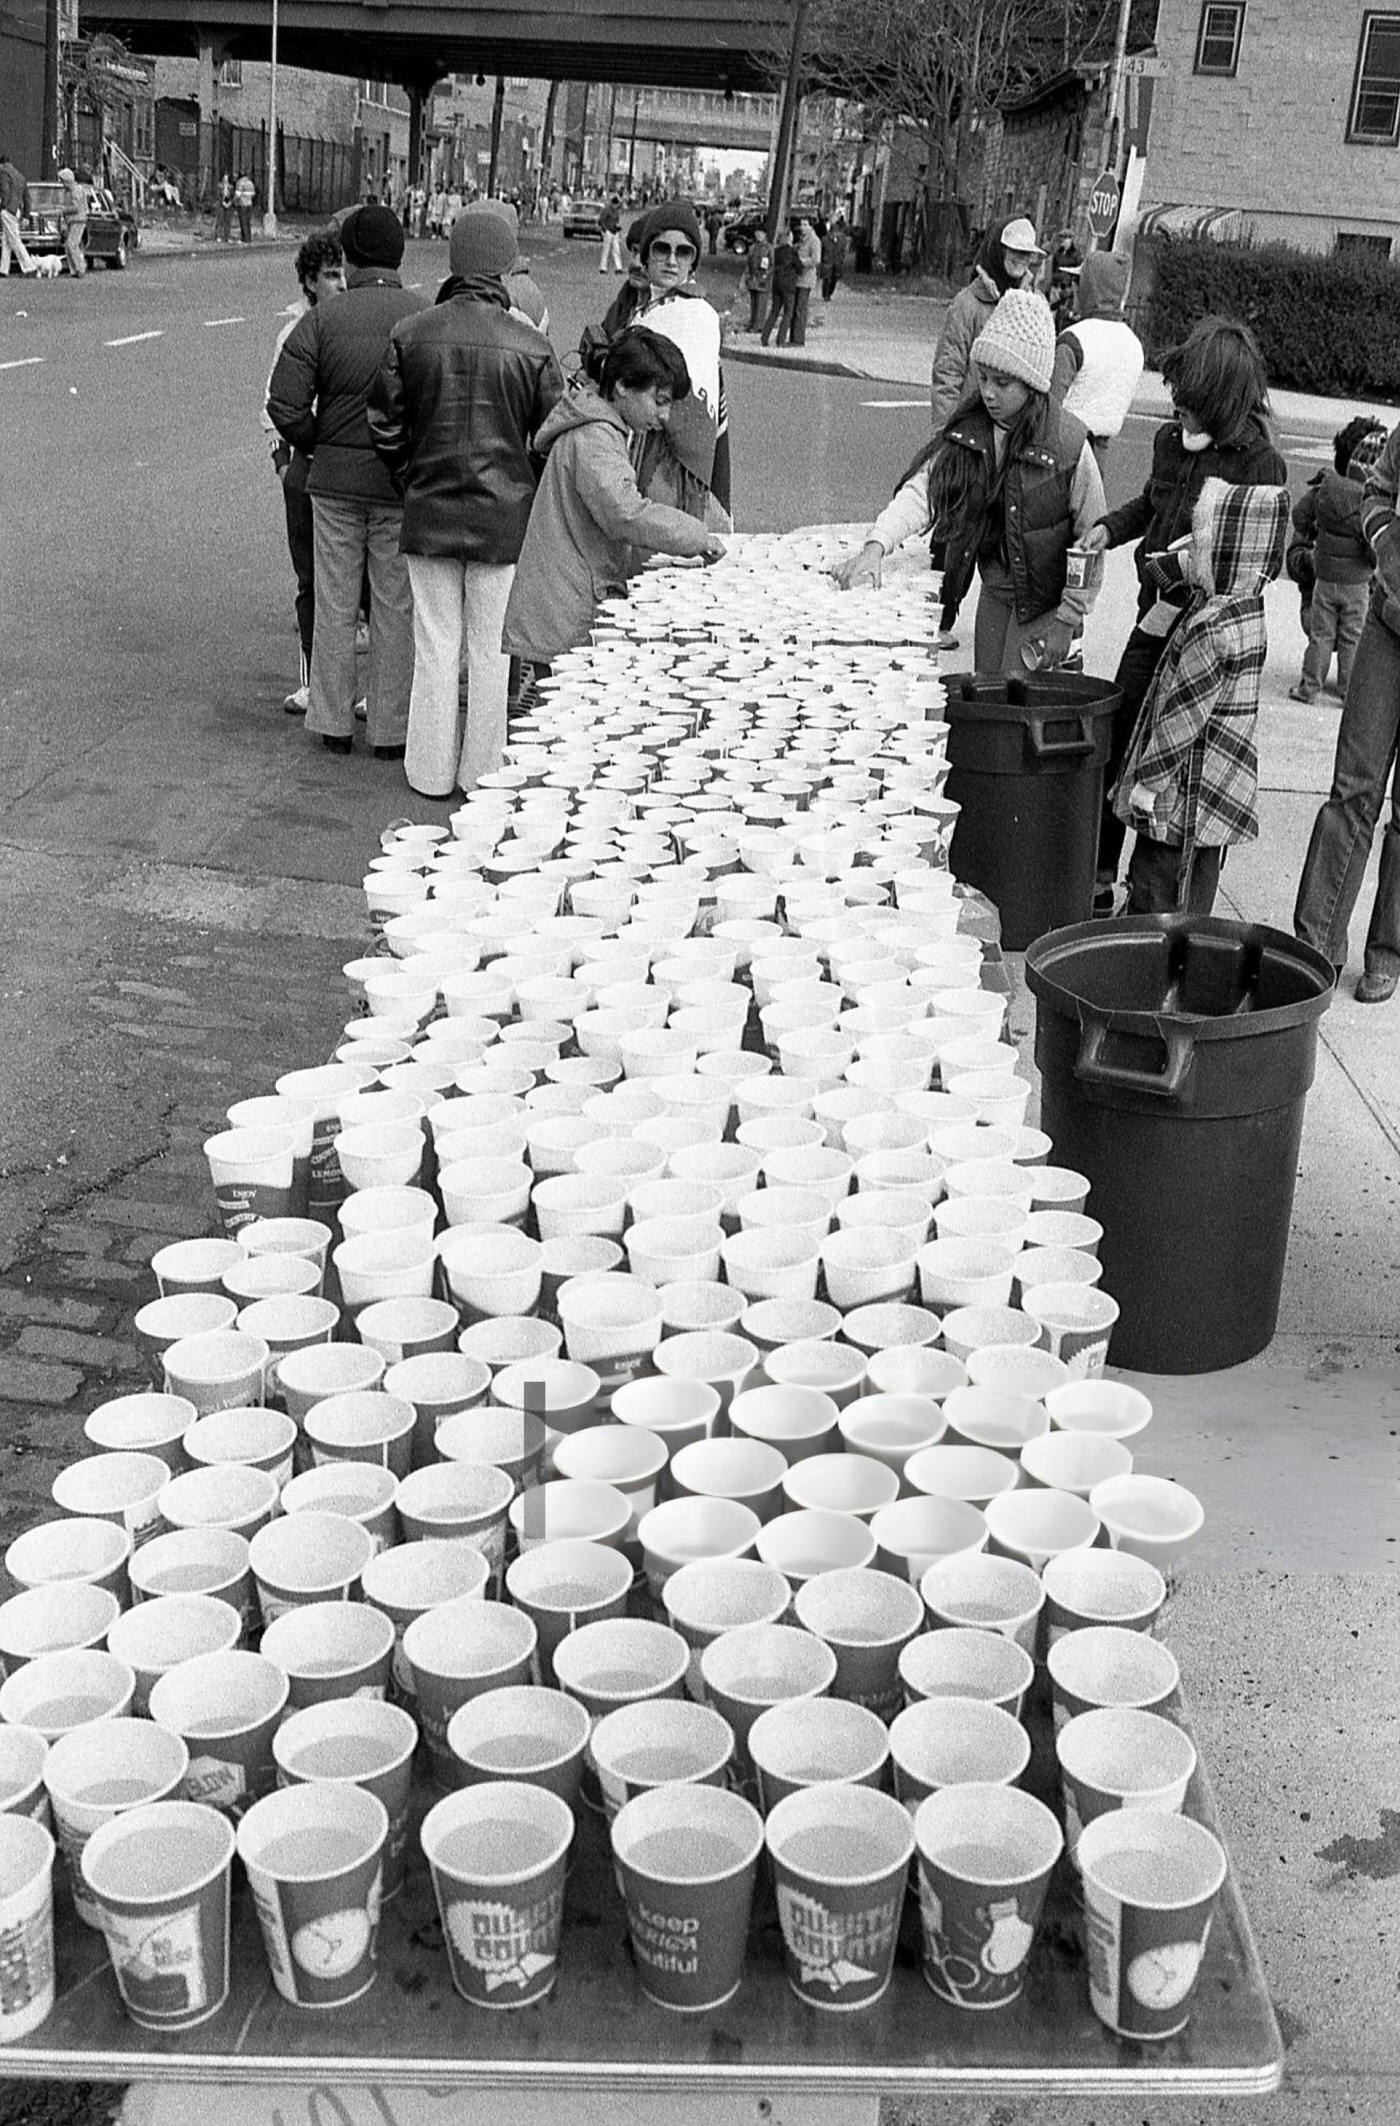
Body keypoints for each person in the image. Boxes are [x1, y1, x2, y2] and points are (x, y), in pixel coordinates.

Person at [1078, 314, 1287, 912]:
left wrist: (1191, 571)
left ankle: (1154, 897)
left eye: (1189, 406)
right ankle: (1098, 876)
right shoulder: (1173, 442)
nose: (1178, 416)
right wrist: (1109, 530)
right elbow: (1151, 502)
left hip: (1199, 633)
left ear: (1220, 405)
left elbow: (1257, 566)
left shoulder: (1259, 463)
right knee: (1119, 740)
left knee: (1166, 755)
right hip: (1154, 619)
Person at [369, 205, 563, 798]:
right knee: (490, 652)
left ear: (454, 263)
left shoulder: (411, 333)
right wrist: (520, 483)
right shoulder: (530, 345)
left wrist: (414, 478)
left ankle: (427, 771)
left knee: (434, 648)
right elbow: (549, 433)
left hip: (428, 511)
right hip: (502, 519)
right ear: (505, 269)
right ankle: (482, 771)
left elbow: (385, 425)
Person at [834, 289, 1105, 675]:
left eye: (1003, 383)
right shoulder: (971, 431)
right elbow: (925, 491)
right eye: (984, 378)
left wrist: (1069, 618)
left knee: (1024, 707)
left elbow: (1092, 539)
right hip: (995, 592)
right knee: (989, 697)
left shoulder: (1069, 444)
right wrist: (876, 546)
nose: (989, 393)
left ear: (1032, 384)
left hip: (1048, 605)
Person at [268, 205, 424, 758]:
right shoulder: (421, 317)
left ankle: (331, 721)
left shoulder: (322, 320)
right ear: (400, 256)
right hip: (397, 487)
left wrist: (318, 442)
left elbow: (283, 402)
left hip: (333, 485)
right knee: (393, 607)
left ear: (351, 258)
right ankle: (389, 729)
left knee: (334, 602)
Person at [1110, 477, 1289, 916]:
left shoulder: (1210, 626)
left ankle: (1150, 965)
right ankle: (1187, 961)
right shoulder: (1247, 609)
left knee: (1158, 895)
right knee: (1197, 892)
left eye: (1205, 545)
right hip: (1218, 789)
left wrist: (1147, 783)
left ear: (1227, 553)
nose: (1195, 553)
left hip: (1178, 797)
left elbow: (1181, 718)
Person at [502, 329, 725, 674]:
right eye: (659, 401)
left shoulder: (601, 425)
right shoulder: (595, 437)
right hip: (566, 612)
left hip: (563, 600)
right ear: (622, 386)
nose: (664, 416)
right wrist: (696, 536)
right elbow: (624, 513)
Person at [1294, 417, 1400, 1003]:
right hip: (1388, 622)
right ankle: (1317, 946)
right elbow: (1379, 488)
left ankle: (1388, 952)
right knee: (1353, 787)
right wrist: (1387, 550)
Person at [264, 228, 347, 716]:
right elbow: (271, 405)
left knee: (357, 585)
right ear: (311, 282)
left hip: (343, 462)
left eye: (343, 274)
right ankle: (314, 683)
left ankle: (354, 686)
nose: (339, 283)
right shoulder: (292, 332)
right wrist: (282, 463)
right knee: (311, 579)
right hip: (305, 463)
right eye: (330, 275)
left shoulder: (352, 321)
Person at [629, 200, 732, 526]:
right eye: (662, 249)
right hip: (638, 442)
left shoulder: (697, 314)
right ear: (646, 256)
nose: (672, 261)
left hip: (672, 461)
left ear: (693, 262)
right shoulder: (643, 308)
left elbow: (689, 406)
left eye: (684, 252)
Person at [1287, 420, 1385, 703]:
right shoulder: (1370, 505)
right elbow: (1375, 555)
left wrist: (1321, 557)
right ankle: (1349, 690)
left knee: (1321, 636)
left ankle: (1310, 687)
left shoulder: (1322, 494)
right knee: (1354, 635)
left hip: (1324, 587)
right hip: (1357, 590)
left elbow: (1297, 528)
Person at [929, 215, 1045, 435]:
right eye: (1015, 250)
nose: (1022, 259)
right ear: (998, 250)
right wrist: (945, 433)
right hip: (971, 429)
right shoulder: (966, 305)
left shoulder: (1035, 303)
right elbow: (947, 373)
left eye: (1027, 253)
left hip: (1015, 433)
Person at [1049, 248, 1144, 470]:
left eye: (1078, 282)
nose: (1073, 289)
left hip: (1063, 453)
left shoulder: (1074, 340)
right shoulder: (1133, 345)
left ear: (1089, 287)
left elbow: (1050, 409)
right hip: (1101, 455)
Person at [600, 216, 650, 337]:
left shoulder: (676, 315)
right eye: (635, 251)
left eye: (646, 256)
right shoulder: (623, 303)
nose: (636, 263)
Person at [761, 227, 800, 347]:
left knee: (774, 311)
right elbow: (800, 267)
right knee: (788, 312)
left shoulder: (776, 251)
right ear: (789, 238)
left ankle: (765, 337)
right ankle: (780, 339)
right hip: (788, 285)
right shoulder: (792, 252)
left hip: (776, 283)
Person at [0, 151, 36, 277]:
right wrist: (26, 214)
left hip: (7, 209)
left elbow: (4, 190)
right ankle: (3, 269)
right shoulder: (20, 175)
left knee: (14, 239)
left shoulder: (4, 173)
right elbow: (27, 198)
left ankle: (29, 267)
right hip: (17, 210)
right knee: (7, 240)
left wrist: (2, 206)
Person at [790, 215, 822, 346]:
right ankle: (793, 337)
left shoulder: (814, 241)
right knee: (794, 308)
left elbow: (816, 259)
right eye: (801, 225)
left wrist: (801, 262)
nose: (802, 228)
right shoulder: (801, 240)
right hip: (797, 278)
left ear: (811, 226)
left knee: (800, 309)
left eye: (805, 225)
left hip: (806, 279)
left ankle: (798, 339)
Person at [55, 168, 87, 277]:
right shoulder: (69, 191)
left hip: (78, 220)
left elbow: (76, 208)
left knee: (72, 244)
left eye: (63, 181)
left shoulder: (76, 191)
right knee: (68, 246)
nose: (62, 183)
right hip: (71, 220)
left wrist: (63, 209)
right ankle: (73, 269)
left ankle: (80, 268)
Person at [742, 224, 773, 332]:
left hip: (763, 278)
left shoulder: (768, 248)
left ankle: (759, 325)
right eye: (757, 233)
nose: (759, 235)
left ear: (765, 235)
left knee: (761, 303)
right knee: (753, 302)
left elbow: (772, 265)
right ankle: (752, 322)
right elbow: (748, 263)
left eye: (761, 233)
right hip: (753, 277)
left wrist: (766, 274)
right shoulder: (752, 247)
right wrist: (746, 276)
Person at [820, 216, 849, 302]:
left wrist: (842, 259)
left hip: (837, 262)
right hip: (828, 261)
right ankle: (825, 294)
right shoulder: (825, 239)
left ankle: (829, 293)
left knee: (834, 279)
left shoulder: (843, 240)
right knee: (826, 278)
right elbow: (822, 250)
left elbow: (843, 250)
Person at [598, 194, 624, 274]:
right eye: (616, 205)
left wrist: (618, 227)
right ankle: (603, 267)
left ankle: (619, 268)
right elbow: (601, 221)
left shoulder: (616, 211)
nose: (617, 207)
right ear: (613, 204)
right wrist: (605, 230)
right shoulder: (607, 210)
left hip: (615, 232)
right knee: (606, 250)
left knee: (617, 250)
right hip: (608, 232)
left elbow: (616, 221)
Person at [234, 172, 255, 244]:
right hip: (249, 204)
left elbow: (237, 194)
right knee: (248, 222)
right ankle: (249, 238)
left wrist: (234, 201)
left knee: (243, 222)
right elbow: (253, 193)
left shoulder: (240, 183)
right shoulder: (250, 183)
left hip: (242, 204)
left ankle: (244, 238)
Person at [215, 173, 235, 243]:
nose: (225, 180)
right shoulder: (219, 186)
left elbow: (233, 196)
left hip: (228, 204)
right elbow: (217, 195)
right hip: (221, 204)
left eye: (227, 178)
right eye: (224, 178)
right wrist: (222, 202)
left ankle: (227, 237)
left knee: (228, 221)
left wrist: (230, 203)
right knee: (220, 220)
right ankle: (218, 236)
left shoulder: (231, 187)